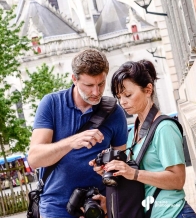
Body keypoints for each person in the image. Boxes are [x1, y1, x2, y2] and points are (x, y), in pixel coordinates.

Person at [90, 60, 196, 218]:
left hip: (174, 214)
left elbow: (178, 179)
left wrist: (133, 173)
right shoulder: (133, 131)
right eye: (119, 97)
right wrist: (110, 171)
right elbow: (139, 182)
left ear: (148, 89)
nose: (122, 102)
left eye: (128, 95)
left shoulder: (164, 128)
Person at [27, 49, 127, 218]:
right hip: (55, 208)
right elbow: (35, 159)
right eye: (89, 85)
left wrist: (109, 201)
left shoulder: (114, 113)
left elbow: (122, 169)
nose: (96, 92)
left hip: (97, 207)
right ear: (74, 79)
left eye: (101, 84)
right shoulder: (51, 104)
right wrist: (72, 142)